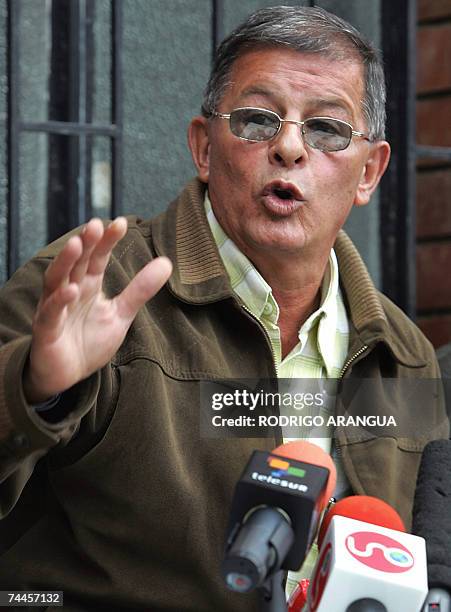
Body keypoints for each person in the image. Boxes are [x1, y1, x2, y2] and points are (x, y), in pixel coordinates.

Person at [0, 5, 448, 611]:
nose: (290, 147)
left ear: (369, 172)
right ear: (204, 148)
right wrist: (36, 391)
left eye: (327, 130)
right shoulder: (97, 287)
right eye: (258, 120)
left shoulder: (405, 356)